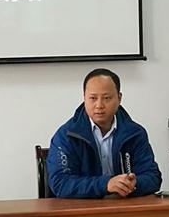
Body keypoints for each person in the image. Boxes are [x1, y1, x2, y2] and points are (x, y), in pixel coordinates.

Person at [46, 68, 162, 198]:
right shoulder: (66, 135)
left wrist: (133, 184)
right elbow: (60, 183)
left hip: (124, 205)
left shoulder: (135, 133)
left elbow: (153, 177)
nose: (99, 105)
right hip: (83, 207)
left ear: (119, 98)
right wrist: (106, 184)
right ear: (84, 98)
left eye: (106, 98)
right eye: (93, 98)